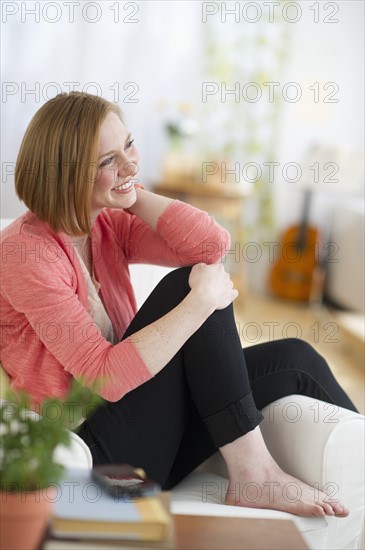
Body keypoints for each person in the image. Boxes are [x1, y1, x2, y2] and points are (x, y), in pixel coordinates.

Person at [0, 92, 358, 518]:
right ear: (67, 175)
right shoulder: (25, 254)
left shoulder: (106, 223)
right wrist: (200, 303)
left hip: (139, 436)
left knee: (295, 359)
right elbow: (103, 378)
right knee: (187, 289)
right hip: (91, 467)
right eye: (107, 161)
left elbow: (212, 245)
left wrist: (133, 193)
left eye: (129, 145)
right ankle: (254, 476)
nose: (131, 164)